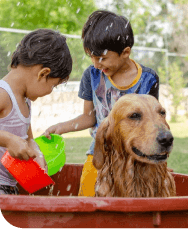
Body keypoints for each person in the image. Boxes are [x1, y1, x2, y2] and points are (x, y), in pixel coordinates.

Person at [44, 10, 159, 197]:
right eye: (92, 57)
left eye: (102, 58)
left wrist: (156, 161)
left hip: (136, 158)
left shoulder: (147, 79)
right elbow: (88, 118)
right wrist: (61, 127)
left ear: (125, 52)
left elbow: (152, 125)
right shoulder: (92, 75)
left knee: (133, 208)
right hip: (98, 154)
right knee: (87, 200)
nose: (96, 64)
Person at [0, 29, 73, 195]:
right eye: (53, 86)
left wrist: (38, 154)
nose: (50, 91)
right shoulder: (3, 94)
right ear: (43, 73)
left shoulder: (25, 101)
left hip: (9, 187)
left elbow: (29, 139)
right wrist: (8, 139)